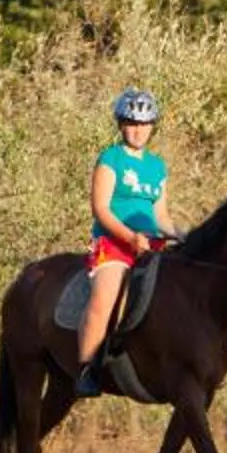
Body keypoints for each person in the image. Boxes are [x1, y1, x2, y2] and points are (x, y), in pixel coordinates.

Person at [75, 87, 169, 395]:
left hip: (151, 247)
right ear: (120, 124)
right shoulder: (111, 158)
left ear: (152, 126)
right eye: (131, 122)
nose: (137, 130)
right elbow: (100, 207)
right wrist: (130, 237)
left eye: (143, 124)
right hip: (113, 245)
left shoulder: (157, 166)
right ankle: (87, 368)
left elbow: (161, 214)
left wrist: (181, 236)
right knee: (105, 297)